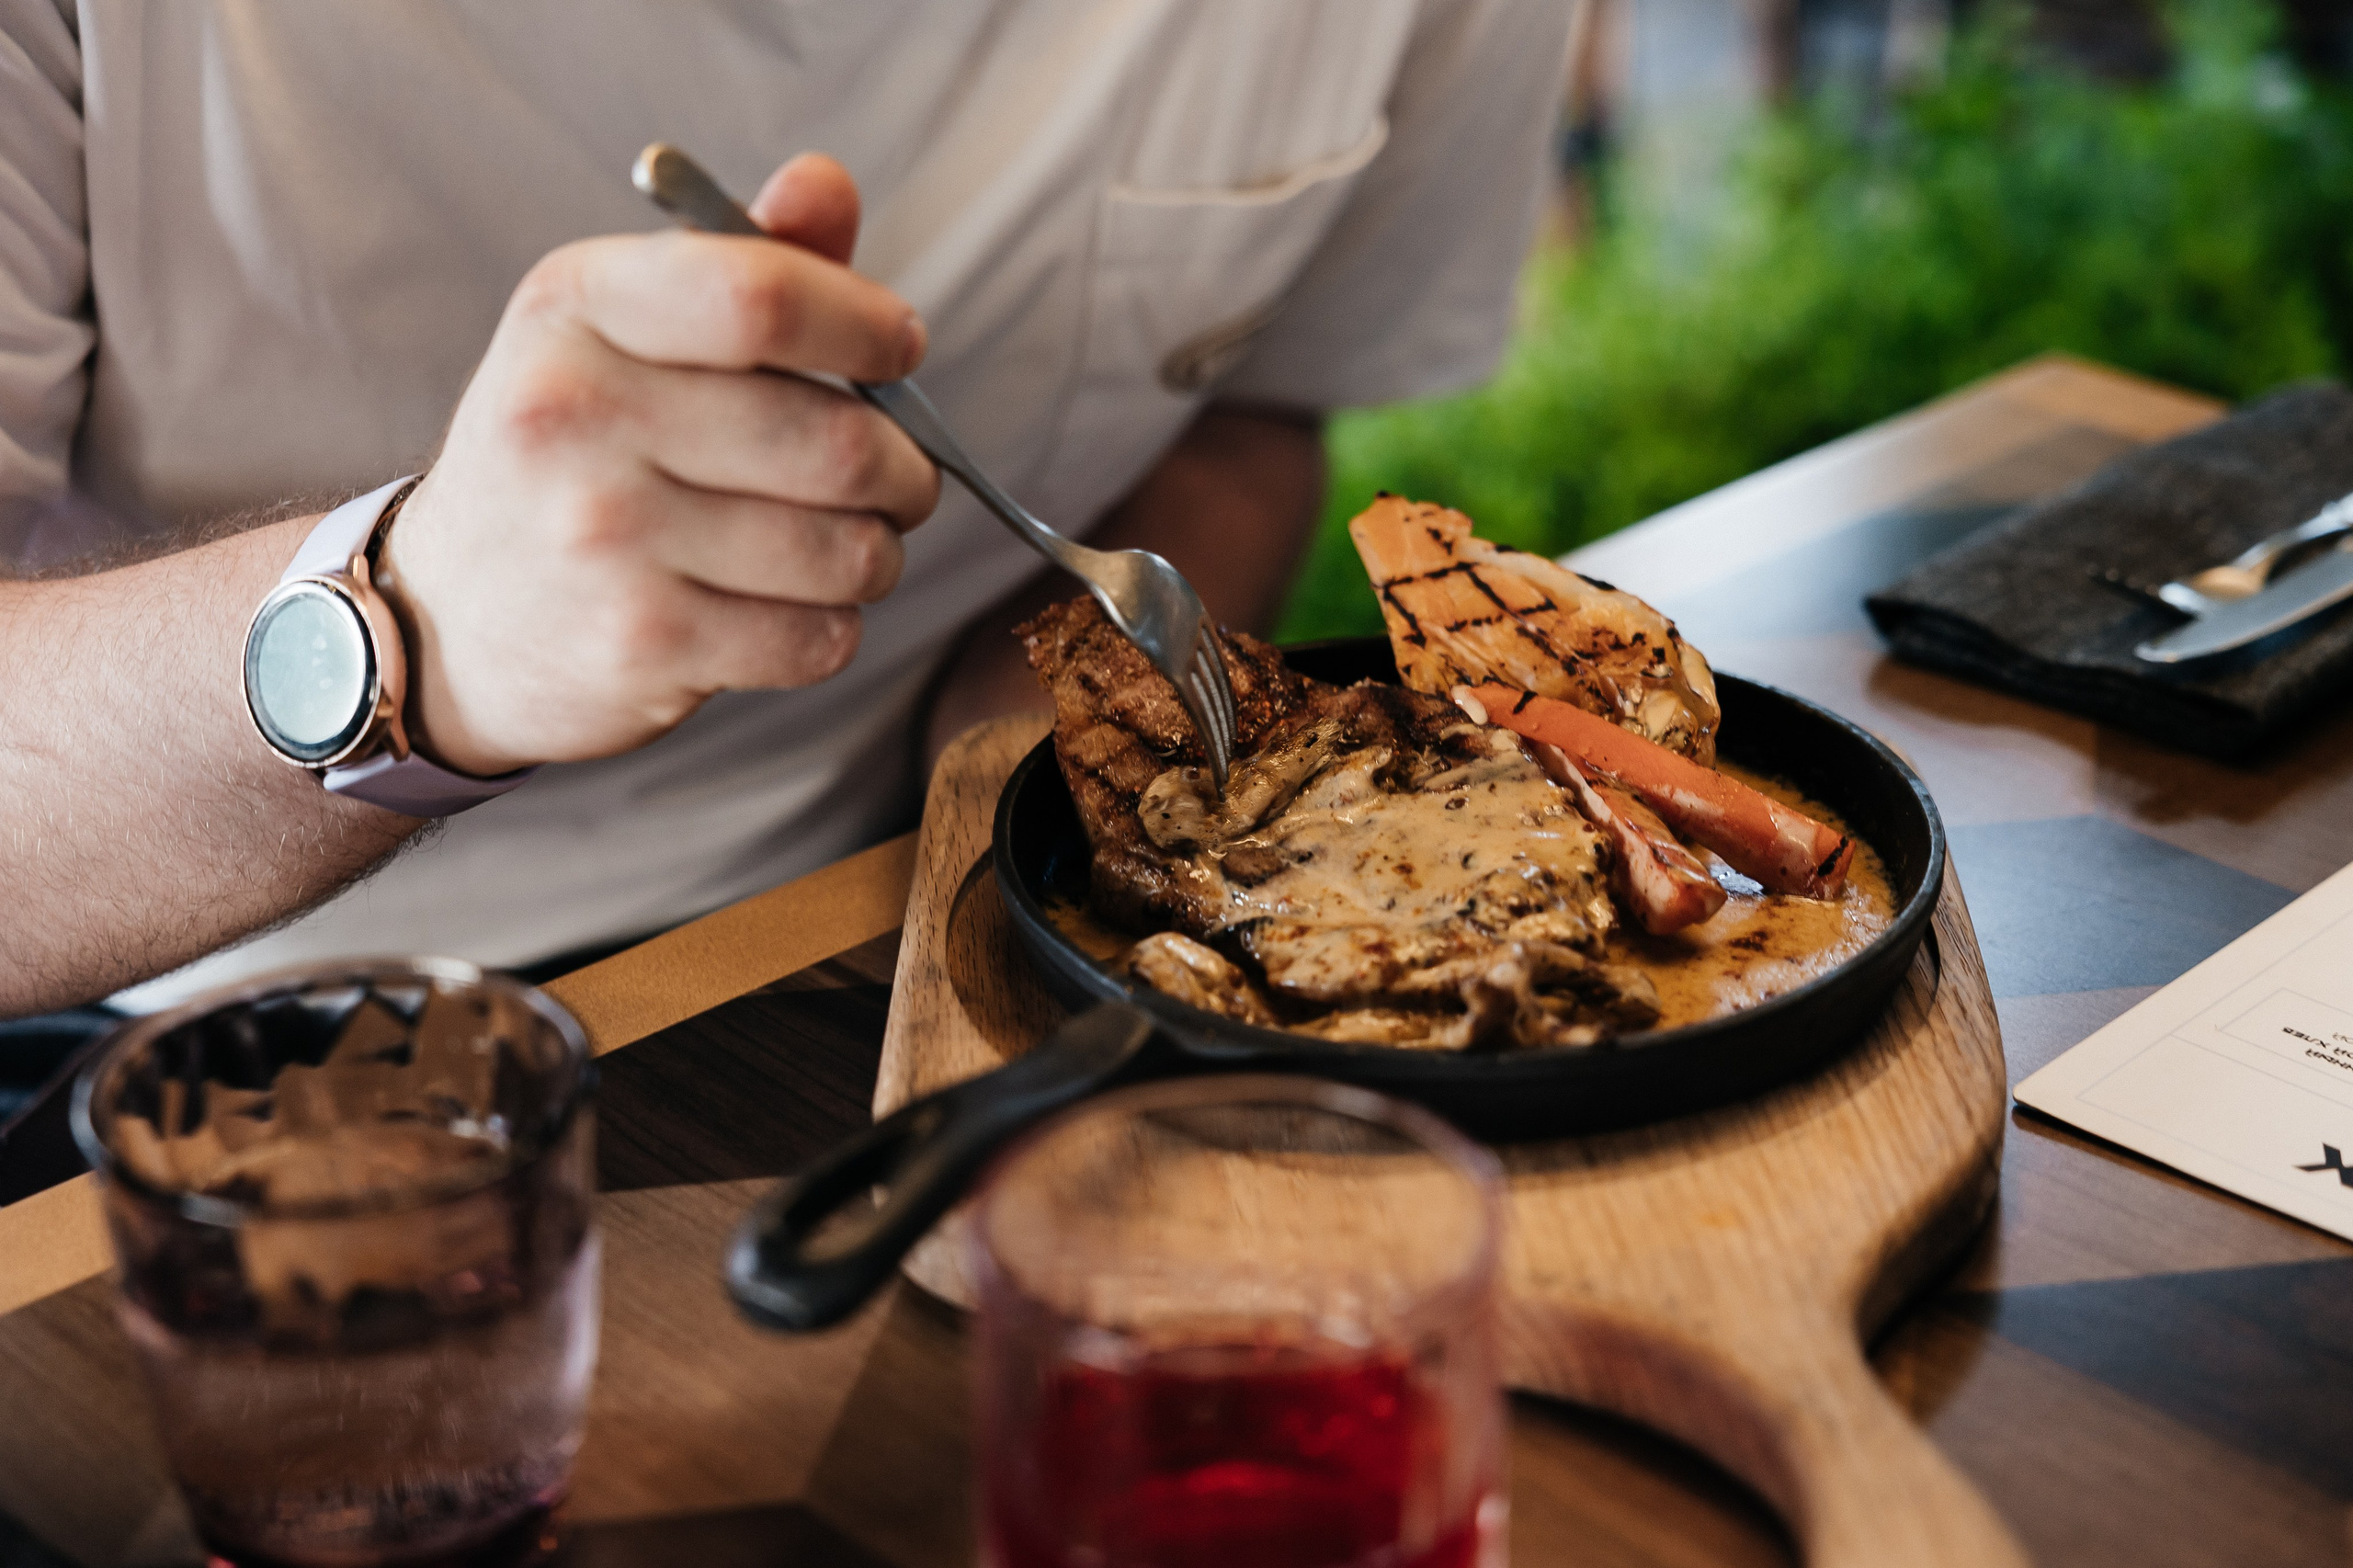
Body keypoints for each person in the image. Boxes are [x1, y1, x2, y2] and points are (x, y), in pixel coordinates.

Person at [0, 0, 1571, 1019]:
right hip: (186, 1016)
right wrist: (411, 633)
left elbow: (1248, 411)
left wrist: (1030, 780)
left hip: (923, 922)